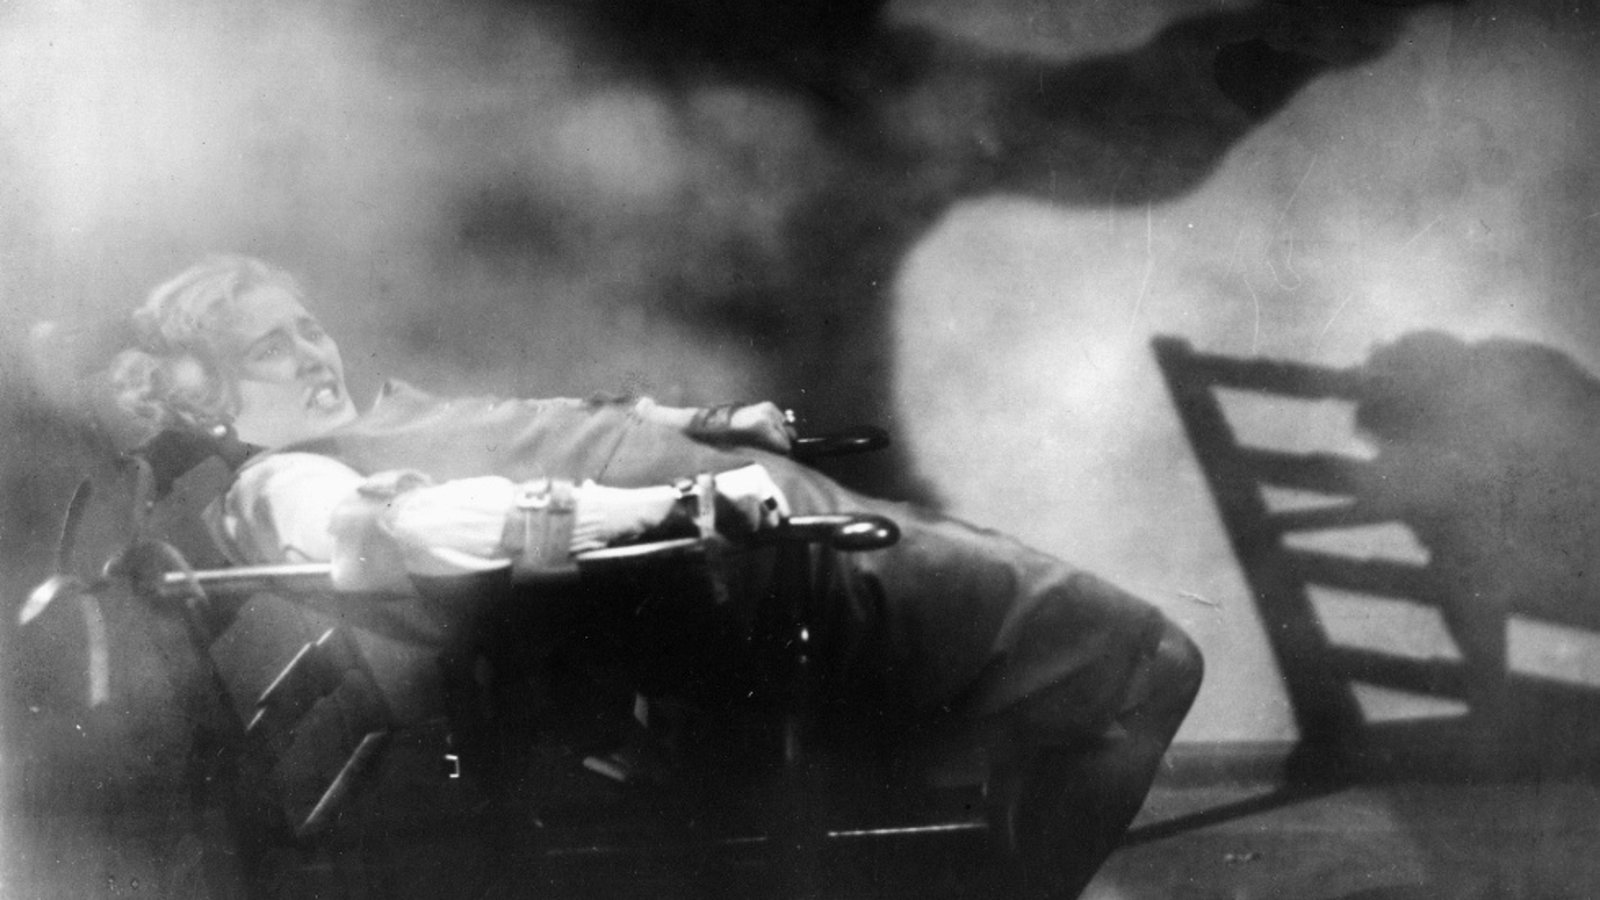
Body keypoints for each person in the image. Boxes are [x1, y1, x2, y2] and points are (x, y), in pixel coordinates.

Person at [104, 254, 1202, 899]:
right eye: (272, 350)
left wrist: (706, 426)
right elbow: (433, 528)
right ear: (208, 401)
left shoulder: (368, 418)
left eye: (308, 328)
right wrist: (679, 503)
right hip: (764, 583)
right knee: (1150, 662)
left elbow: (539, 424)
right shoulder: (286, 482)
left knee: (1092, 666)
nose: (314, 353)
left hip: (776, 540)